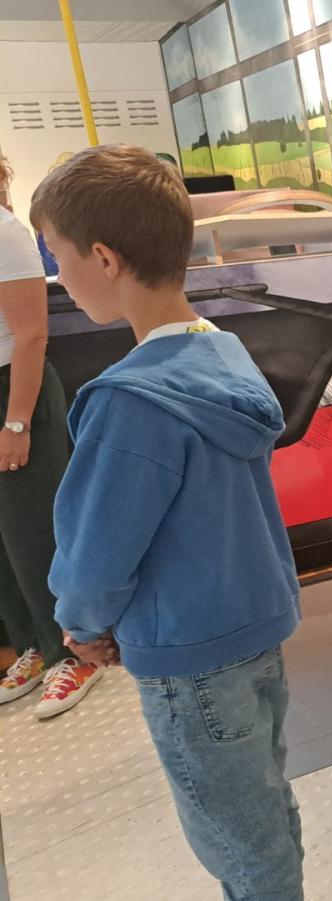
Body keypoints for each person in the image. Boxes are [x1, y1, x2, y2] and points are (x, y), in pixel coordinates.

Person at [33, 144, 303, 898]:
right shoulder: (228, 355)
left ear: (104, 258)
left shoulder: (129, 403)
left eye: (56, 256)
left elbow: (96, 552)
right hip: (257, 631)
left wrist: (81, 624)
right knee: (267, 815)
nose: (57, 275)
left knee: (241, 847)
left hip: (188, 657)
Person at [0, 152, 99, 717]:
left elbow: (31, 334)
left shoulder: (6, 233)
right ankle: (33, 647)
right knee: (2, 540)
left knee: (33, 532)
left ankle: (73, 653)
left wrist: (17, 422)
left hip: (16, 392)